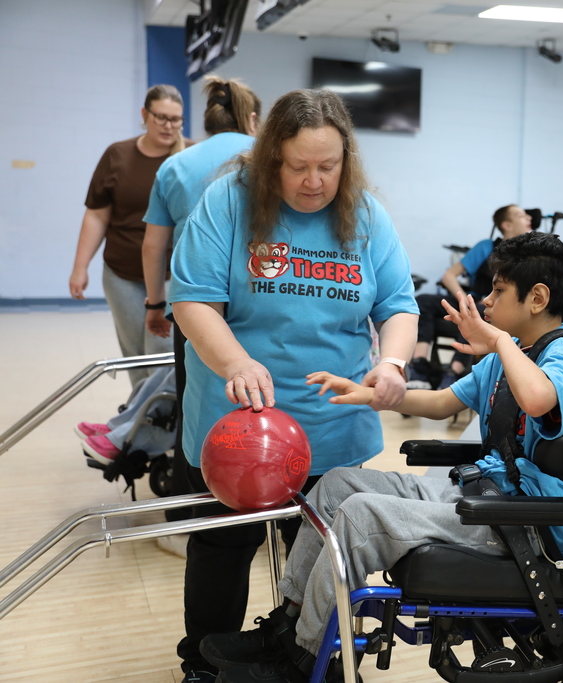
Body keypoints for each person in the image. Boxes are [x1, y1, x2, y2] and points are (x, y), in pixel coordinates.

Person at [198, 231, 563, 683]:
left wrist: (500, 344)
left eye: (498, 291)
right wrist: (374, 395)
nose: (486, 301)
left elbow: (538, 399)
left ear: (537, 298)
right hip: (484, 493)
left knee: (359, 515)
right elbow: (445, 401)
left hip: (526, 525)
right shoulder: (512, 353)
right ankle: (288, 624)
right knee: (335, 484)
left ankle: (301, 659)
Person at [168, 89, 419, 683]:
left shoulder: (364, 213)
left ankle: (306, 656)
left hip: (329, 427)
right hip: (237, 426)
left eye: (327, 167)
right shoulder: (228, 202)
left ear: (346, 161)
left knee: (320, 559)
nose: (313, 181)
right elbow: (193, 300)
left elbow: (399, 305)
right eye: (297, 166)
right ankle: (204, 661)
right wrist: (235, 363)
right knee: (223, 551)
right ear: (268, 159)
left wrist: (393, 366)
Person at [138, 76, 262, 541]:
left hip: (195, 307)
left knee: (197, 411)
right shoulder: (272, 159)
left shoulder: (178, 164)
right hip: (265, 300)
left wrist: (156, 302)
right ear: (252, 118)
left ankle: (191, 517)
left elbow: (154, 246)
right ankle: (270, 499)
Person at [69, 84, 192, 389]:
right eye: (161, 117)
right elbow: (97, 214)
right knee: (134, 352)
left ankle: (158, 422)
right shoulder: (118, 155)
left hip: (169, 273)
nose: (169, 126)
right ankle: (140, 422)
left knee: (161, 351)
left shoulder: (189, 155)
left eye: (176, 120)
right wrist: (80, 266)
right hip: (121, 273)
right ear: (144, 115)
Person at [406, 204, 533, 390]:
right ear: (506, 224)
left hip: (496, 308)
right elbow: (449, 276)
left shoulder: (527, 256)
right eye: (521, 215)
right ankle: (420, 365)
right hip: (473, 302)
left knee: (480, 312)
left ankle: (453, 371)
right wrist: (465, 301)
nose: (528, 218)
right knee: (423, 301)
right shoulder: (486, 248)